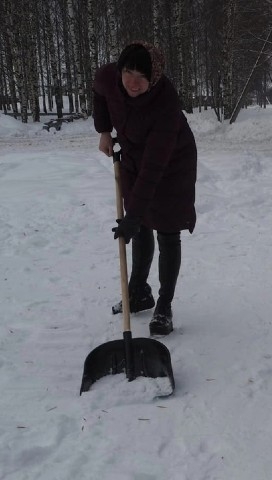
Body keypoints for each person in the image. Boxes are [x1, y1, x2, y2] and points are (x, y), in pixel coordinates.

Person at [93, 41, 197, 336]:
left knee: (166, 228)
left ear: (154, 78)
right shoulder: (110, 77)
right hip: (133, 157)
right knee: (139, 226)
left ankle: (164, 306)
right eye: (128, 73)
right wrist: (104, 130)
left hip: (172, 162)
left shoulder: (166, 103)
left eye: (142, 77)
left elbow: (154, 169)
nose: (133, 83)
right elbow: (99, 90)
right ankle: (138, 292)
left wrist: (134, 215)